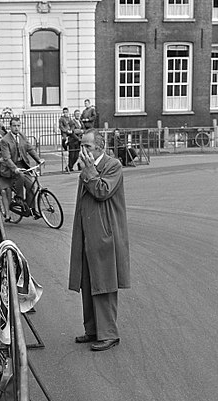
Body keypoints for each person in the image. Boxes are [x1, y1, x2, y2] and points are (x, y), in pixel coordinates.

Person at [68, 129, 130, 352]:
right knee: (88, 281)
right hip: (87, 232)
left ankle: (109, 334)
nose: (83, 150)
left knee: (104, 284)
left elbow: (102, 191)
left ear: (100, 147)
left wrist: (89, 171)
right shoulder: (88, 167)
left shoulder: (113, 165)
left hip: (105, 234)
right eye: (82, 146)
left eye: (88, 147)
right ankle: (92, 329)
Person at [0, 118, 45, 217]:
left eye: (18, 126)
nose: (17, 128)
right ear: (10, 127)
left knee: (32, 185)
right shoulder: (5, 140)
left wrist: (38, 159)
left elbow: (30, 148)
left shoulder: (22, 136)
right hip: (11, 167)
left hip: (23, 164)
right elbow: (6, 158)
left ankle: (31, 209)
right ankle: (18, 197)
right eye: (14, 126)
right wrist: (14, 168)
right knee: (20, 175)